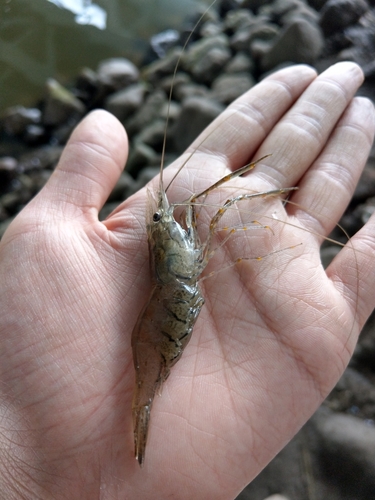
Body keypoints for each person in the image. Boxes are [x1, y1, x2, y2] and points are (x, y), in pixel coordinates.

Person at [0, 62, 374, 499]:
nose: (168, 215)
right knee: (213, 214)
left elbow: (173, 239)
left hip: (177, 296)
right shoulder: (179, 254)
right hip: (177, 303)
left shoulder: (168, 246)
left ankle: (144, 408)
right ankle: (143, 409)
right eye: (161, 220)